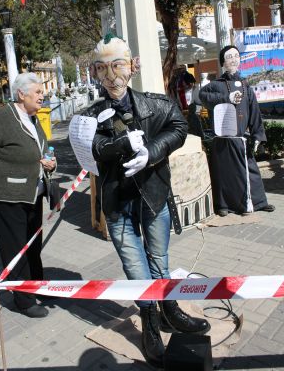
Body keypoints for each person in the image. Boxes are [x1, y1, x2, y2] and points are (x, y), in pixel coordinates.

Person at [85, 35, 210, 368]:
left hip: (154, 194)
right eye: (104, 68)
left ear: (133, 66)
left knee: (159, 259)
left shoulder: (157, 103)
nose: (112, 76)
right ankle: (150, 323)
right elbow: (92, 148)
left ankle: (169, 310)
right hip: (118, 205)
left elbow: (179, 127)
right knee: (137, 269)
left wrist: (151, 153)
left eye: (119, 65)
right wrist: (124, 145)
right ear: (96, 72)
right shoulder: (91, 115)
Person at [0, 73, 56, 318]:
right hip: (8, 197)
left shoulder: (33, 118)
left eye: (42, 92)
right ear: (22, 94)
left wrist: (50, 163)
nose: (43, 95)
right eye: (38, 92)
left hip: (32, 195)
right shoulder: (2, 119)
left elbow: (40, 149)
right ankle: (23, 300)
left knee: (33, 247)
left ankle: (37, 286)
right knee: (16, 250)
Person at [199, 45, 275, 217]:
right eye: (229, 57)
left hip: (241, 138)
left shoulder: (246, 86)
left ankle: (259, 202)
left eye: (236, 56)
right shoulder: (215, 85)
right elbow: (202, 97)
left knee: (251, 171)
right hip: (223, 140)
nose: (233, 59)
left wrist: (257, 135)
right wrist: (226, 98)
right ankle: (223, 205)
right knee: (225, 174)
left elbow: (254, 111)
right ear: (223, 63)